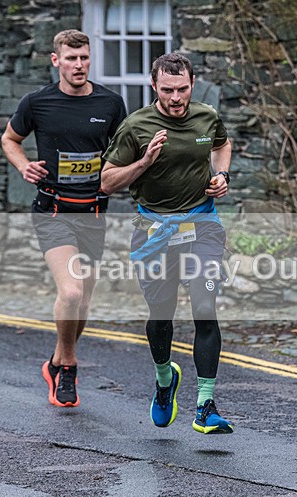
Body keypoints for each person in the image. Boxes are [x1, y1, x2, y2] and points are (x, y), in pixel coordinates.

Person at [101, 53, 234, 434]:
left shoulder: (206, 116)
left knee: (205, 306)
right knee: (161, 314)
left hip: (202, 225)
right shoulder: (136, 126)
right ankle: (165, 381)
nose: (176, 98)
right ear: (153, 86)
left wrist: (221, 174)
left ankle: (205, 405)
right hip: (155, 231)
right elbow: (107, 182)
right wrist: (143, 163)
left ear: (193, 84)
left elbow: (222, 145)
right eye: (167, 90)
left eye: (183, 89)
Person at [1, 29, 127, 407]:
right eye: (71, 58)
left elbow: (122, 150)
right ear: (56, 60)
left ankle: (55, 360)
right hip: (53, 211)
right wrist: (23, 166)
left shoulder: (110, 103)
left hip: (92, 213)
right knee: (70, 291)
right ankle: (69, 366)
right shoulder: (37, 102)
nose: (79, 65)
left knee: (84, 301)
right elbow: (10, 139)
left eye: (84, 58)